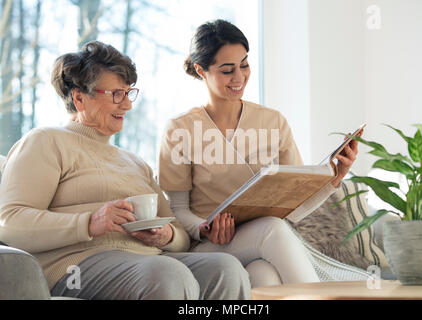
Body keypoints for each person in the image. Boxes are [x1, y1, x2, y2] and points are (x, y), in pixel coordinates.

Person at [0, 41, 250, 300]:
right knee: (167, 273)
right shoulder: (46, 141)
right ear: (79, 98)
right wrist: (89, 223)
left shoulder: (134, 162)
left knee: (226, 268)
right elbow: (11, 222)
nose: (127, 105)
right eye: (116, 94)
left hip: (148, 260)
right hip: (74, 268)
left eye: (129, 93)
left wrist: (165, 237)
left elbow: (178, 234)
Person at [158, 20, 363, 286]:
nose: (239, 77)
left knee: (263, 275)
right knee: (273, 230)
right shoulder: (179, 129)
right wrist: (204, 228)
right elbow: (178, 210)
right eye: (227, 70)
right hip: (209, 248)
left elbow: (295, 209)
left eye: (244, 64)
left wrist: (335, 176)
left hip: (265, 242)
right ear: (201, 70)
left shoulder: (273, 121)